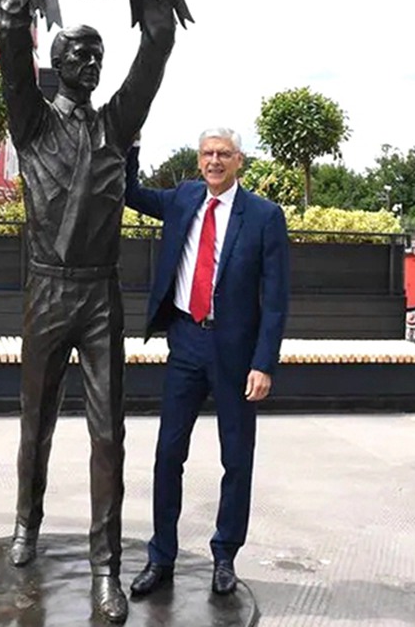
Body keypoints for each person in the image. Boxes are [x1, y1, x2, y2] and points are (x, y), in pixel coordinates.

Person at [0, 0, 176, 623]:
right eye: (79, 52)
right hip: (46, 291)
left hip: (100, 297)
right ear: (55, 63)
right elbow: (9, 27)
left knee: (109, 434)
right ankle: (26, 524)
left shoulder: (115, 125)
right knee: (34, 423)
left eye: (98, 55)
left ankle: (106, 566)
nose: (92, 62)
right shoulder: (30, 122)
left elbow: (159, 37)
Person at [125, 128, 290, 597]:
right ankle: (161, 556)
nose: (214, 161)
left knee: (236, 458)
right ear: (199, 160)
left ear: (239, 160)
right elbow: (129, 192)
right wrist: (132, 146)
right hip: (186, 344)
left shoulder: (263, 216)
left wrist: (264, 363)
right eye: (207, 154)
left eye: (223, 154)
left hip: (236, 355)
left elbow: (275, 301)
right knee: (167, 454)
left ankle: (225, 556)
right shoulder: (182, 199)